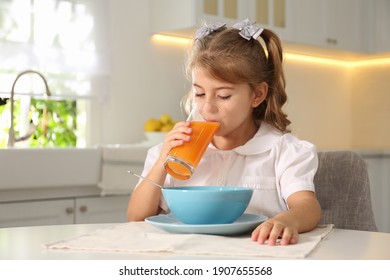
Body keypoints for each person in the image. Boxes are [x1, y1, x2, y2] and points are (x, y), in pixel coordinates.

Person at [127, 19, 321, 246]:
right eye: (199, 94)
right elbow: (136, 218)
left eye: (223, 96)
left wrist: (288, 220)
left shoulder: (285, 151)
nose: (207, 108)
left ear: (257, 95)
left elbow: (308, 207)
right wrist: (162, 162)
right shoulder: (174, 153)